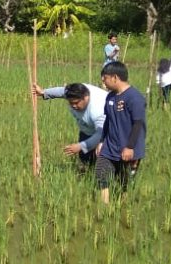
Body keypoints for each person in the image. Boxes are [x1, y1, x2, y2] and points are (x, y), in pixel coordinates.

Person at [97, 61, 146, 205]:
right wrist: (101, 141)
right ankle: (104, 208)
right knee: (101, 173)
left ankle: (124, 207)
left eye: (105, 78)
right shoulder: (110, 97)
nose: (103, 82)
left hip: (128, 148)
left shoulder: (135, 97)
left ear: (115, 78)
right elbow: (108, 120)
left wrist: (130, 147)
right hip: (110, 146)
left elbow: (138, 123)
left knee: (124, 181)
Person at [32, 81, 107, 168]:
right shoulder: (75, 92)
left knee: (103, 158)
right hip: (87, 129)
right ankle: (87, 169)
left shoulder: (98, 110)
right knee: (85, 159)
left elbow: (100, 134)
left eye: (76, 103)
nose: (74, 106)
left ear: (86, 98)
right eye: (71, 103)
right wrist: (43, 92)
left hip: (107, 131)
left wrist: (81, 146)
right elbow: (62, 91)